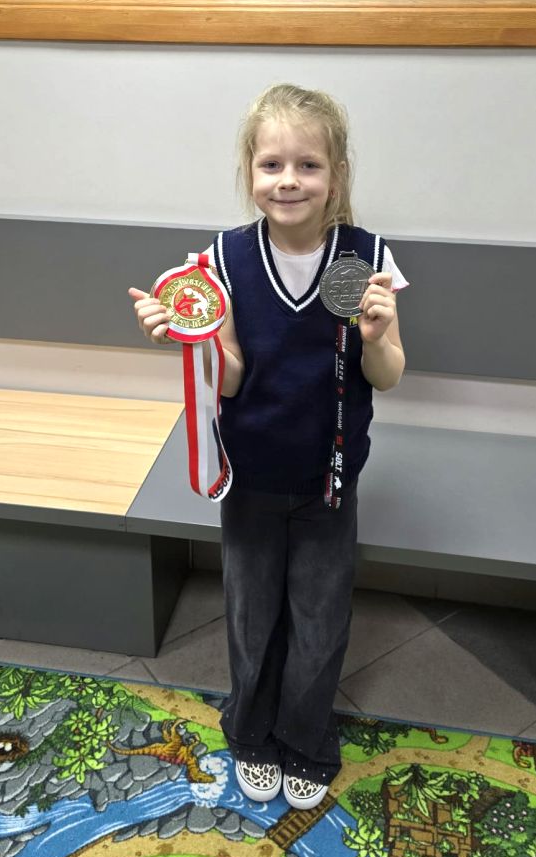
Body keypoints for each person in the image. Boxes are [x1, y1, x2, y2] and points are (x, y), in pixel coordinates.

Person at [128, 84, 407, 811]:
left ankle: (307, 739)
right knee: (252, 616)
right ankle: (251, 732)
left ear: (336, 177)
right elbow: (230, 376)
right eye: (272, 164)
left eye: (308, 165)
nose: (289, 180)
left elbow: (387, 374)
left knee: (319, 619)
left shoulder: (360, 258)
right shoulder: (224, 260)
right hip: (249, 473)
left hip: (329, 478)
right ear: (249, 172)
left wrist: (377, 338)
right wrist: (189, 339)